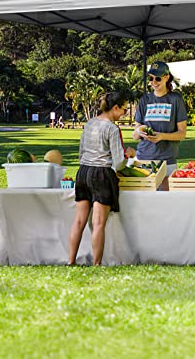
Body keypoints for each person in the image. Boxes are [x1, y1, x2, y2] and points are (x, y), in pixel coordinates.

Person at [68, 91, 135, 266]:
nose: (124, 113)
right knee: (98, 223)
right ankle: (96, 264)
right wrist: (129, 154)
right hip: (101, 175)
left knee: (79, 220)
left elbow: (81, 152)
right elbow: (119, 162)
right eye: (124, 110)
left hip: (83, 172)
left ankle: (70, 261)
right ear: (115, 108)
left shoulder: (89, 124)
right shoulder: (112, 128)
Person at [132, 61, 187, 179]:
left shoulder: (175, 99)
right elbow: (135, 135)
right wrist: (139, 131)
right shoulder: (144, 100)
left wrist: (162, 136)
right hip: (143, 159)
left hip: (167, 161)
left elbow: (182, 133)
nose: (153, 82)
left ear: (166, 78)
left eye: (157, 79)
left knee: (165, 197)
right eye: (151, 79)